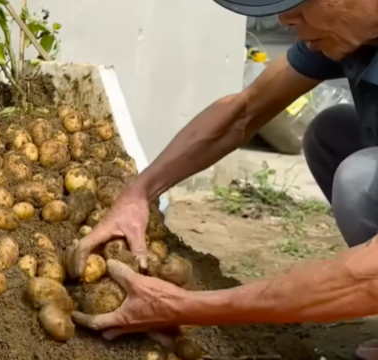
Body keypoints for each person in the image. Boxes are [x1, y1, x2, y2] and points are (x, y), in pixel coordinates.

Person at [69, 0, 378, 358]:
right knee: (331, 134)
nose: (284, 19)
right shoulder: (350, 27)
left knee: (360, 178)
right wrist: (138, 193)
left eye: (302, 3)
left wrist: (185, 306)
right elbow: (243, 111)